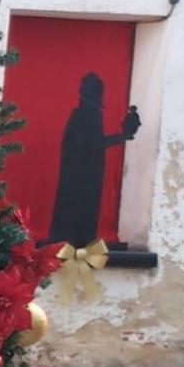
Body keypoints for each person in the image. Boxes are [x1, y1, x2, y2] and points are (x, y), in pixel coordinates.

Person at [47, 72, 141, 246]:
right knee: (79, 215)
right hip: (82, 176)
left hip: (83, 175)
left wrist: (120, 137)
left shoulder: (87, 113)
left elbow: (91, 143)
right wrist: (120, 137)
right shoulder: (87, 114)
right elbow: (91, 144)